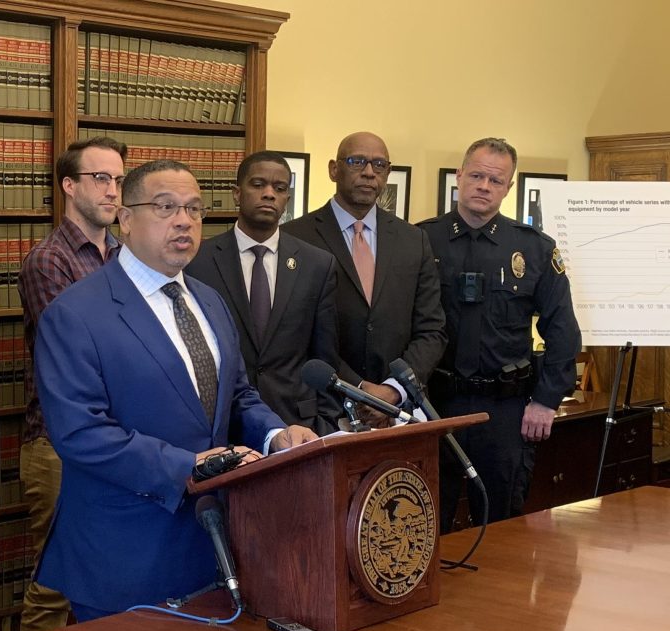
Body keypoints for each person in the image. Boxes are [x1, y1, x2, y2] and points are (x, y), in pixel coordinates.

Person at [34, 159, 318, 621]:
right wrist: (186, 467)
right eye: (166, 207)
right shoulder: (75, 314)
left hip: (213, 545)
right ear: (126, 218)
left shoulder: (209, 300)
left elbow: (237, 395)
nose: (184, 221)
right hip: (125, 553)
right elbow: (79, 433)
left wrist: (276, 434)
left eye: (194, 209)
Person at [418, 138, 580, 530]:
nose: (484, 186)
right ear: (459, 175)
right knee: (424, 520)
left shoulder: (534, 249)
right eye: (476, 175)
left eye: (495, 180)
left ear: (509, 187)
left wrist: (546, 400)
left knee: (501, 525)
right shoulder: (420, 240)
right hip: (434, 403)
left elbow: (562, 330)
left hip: (504, 410)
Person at [16, 136, 126, 631]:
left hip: (120, 434)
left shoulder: (124, 255)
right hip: (59, 442)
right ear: (68, 185)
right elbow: (79, 351)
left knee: (110, 575)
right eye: (100, 178)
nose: (113, 191)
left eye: (119, 180)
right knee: (55, 584)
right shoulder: (49, 260)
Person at [282, 132, 445, 426]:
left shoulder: (413, 239)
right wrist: (357, 388)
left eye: (379, 165)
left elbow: (432, 330)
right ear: (334, 169)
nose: (369, 173)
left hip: (401, 410)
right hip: (325, 411)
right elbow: (294, 332)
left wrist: (392, 391)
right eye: (357, 162)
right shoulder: (295, 238)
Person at [187, 151, 342, 434]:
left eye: (279, 188)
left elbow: (325, 356)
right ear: (236, 194)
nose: (269, 194)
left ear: (287, 200)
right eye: (258, 184)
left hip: (298, 423)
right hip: (224, 423)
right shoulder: (198, 261)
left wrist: (326, 422)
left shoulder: (317, 264)